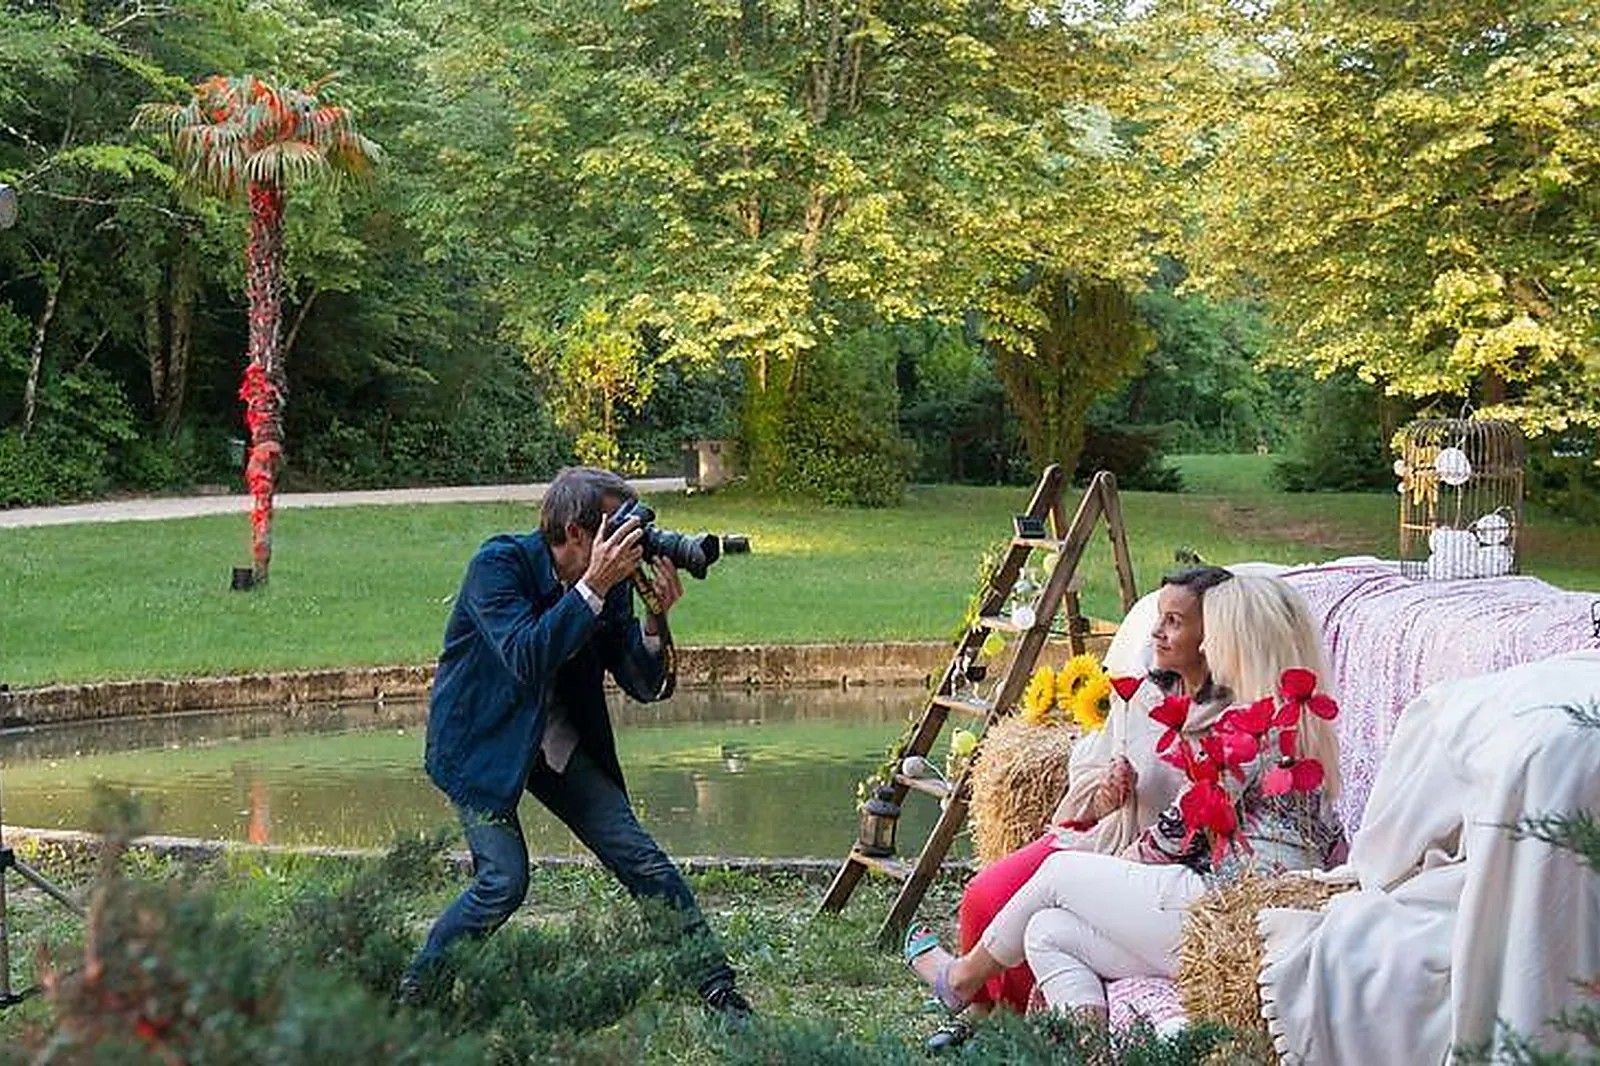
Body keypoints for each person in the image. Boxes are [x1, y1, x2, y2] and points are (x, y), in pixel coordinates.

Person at [908, 574, 1344, 1038]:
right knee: (1047, 931)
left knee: (1060, 874)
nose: (1208, 644)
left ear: (1240, 641)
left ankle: (959, 979)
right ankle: (1088, 1046)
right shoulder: (1296, 724)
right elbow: (1328, 842)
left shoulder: (1247, 726)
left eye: (1215, 633)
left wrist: (1108, 873)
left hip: (1224, 911)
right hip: (1244, 919)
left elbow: (1178, 831)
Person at [397, 467, 750, 1019]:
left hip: (555, 742)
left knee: (641, 859)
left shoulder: (609, 585)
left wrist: (655, 619)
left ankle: (716, 988)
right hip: (482, 742)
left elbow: (642, 684)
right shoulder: (499, 566)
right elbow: (526, 656)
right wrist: (592, 589)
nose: (626, 542)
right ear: (576, 533)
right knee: (503, 881)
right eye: (615, 528)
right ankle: (418, 990)